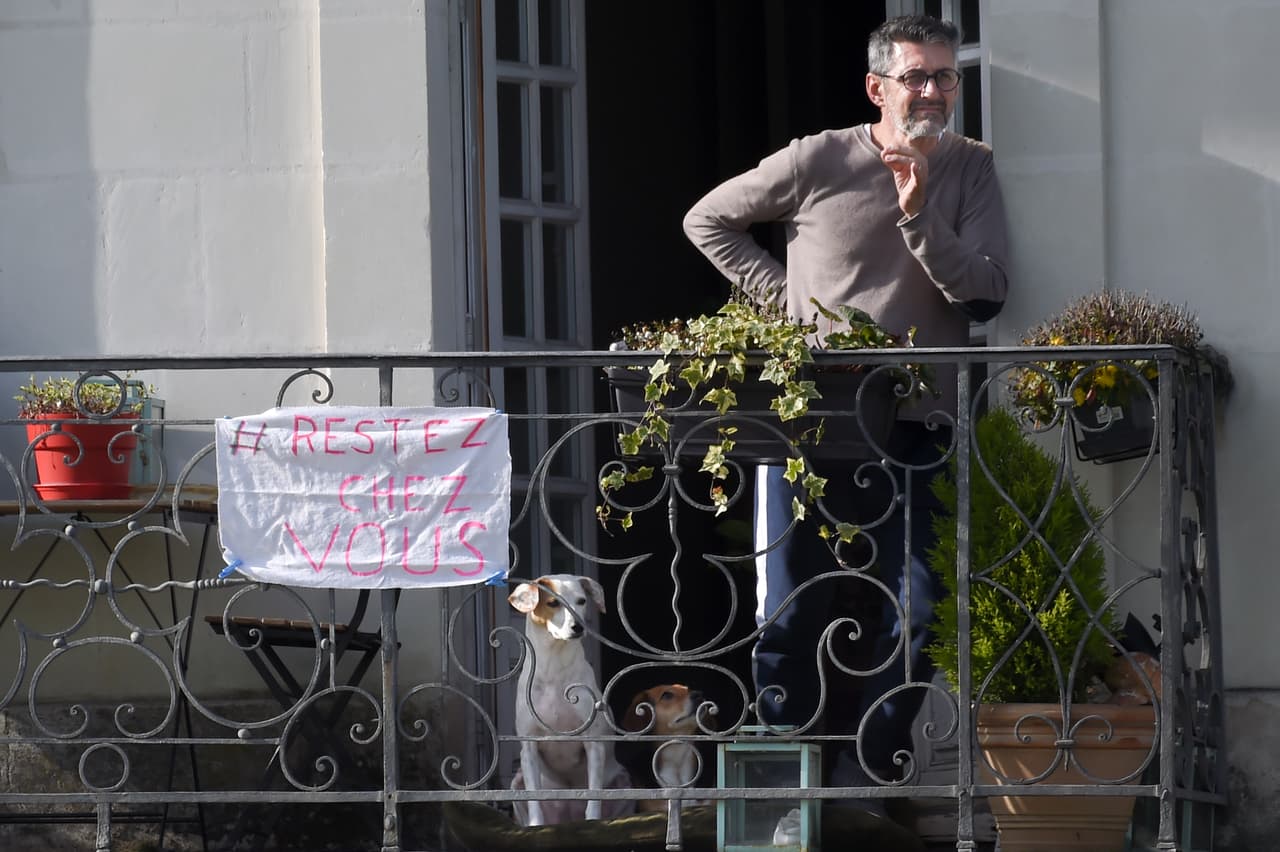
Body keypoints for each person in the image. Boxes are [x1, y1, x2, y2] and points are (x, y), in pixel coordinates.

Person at [682, 15, 1009, 794]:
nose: (932, 91)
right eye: (916, 77)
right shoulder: (819, 157)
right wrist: (787, 303)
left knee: (923, 610)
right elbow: (708, 220)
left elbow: (988, 293)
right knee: (794, 609)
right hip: (811, 423)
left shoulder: (970, 168)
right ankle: (790, 789)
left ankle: (874, 776)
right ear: (877, 87)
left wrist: (919, 211)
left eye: (945, 76)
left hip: (920, 421)